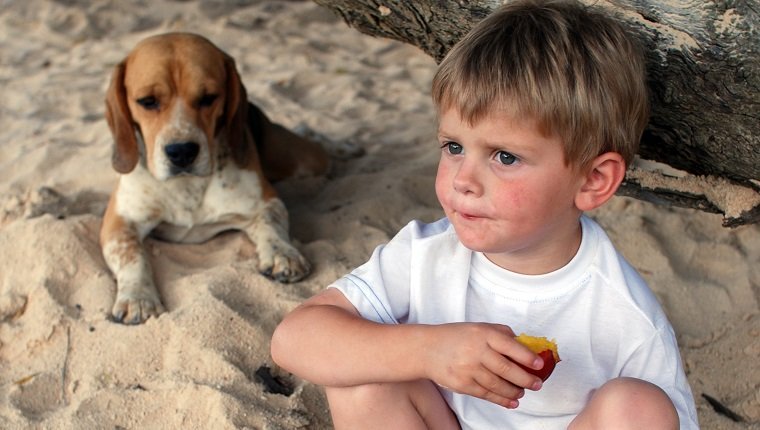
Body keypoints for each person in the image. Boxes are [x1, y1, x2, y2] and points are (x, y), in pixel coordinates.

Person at [271, 0, 699, 428]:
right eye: (454, 147)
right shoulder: (426, 255)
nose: (463, 180)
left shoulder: (624, 313)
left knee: (638, 407)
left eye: (505, 157)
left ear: (592, 181)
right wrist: (429, 350)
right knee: (366, 376)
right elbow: (294, 340)